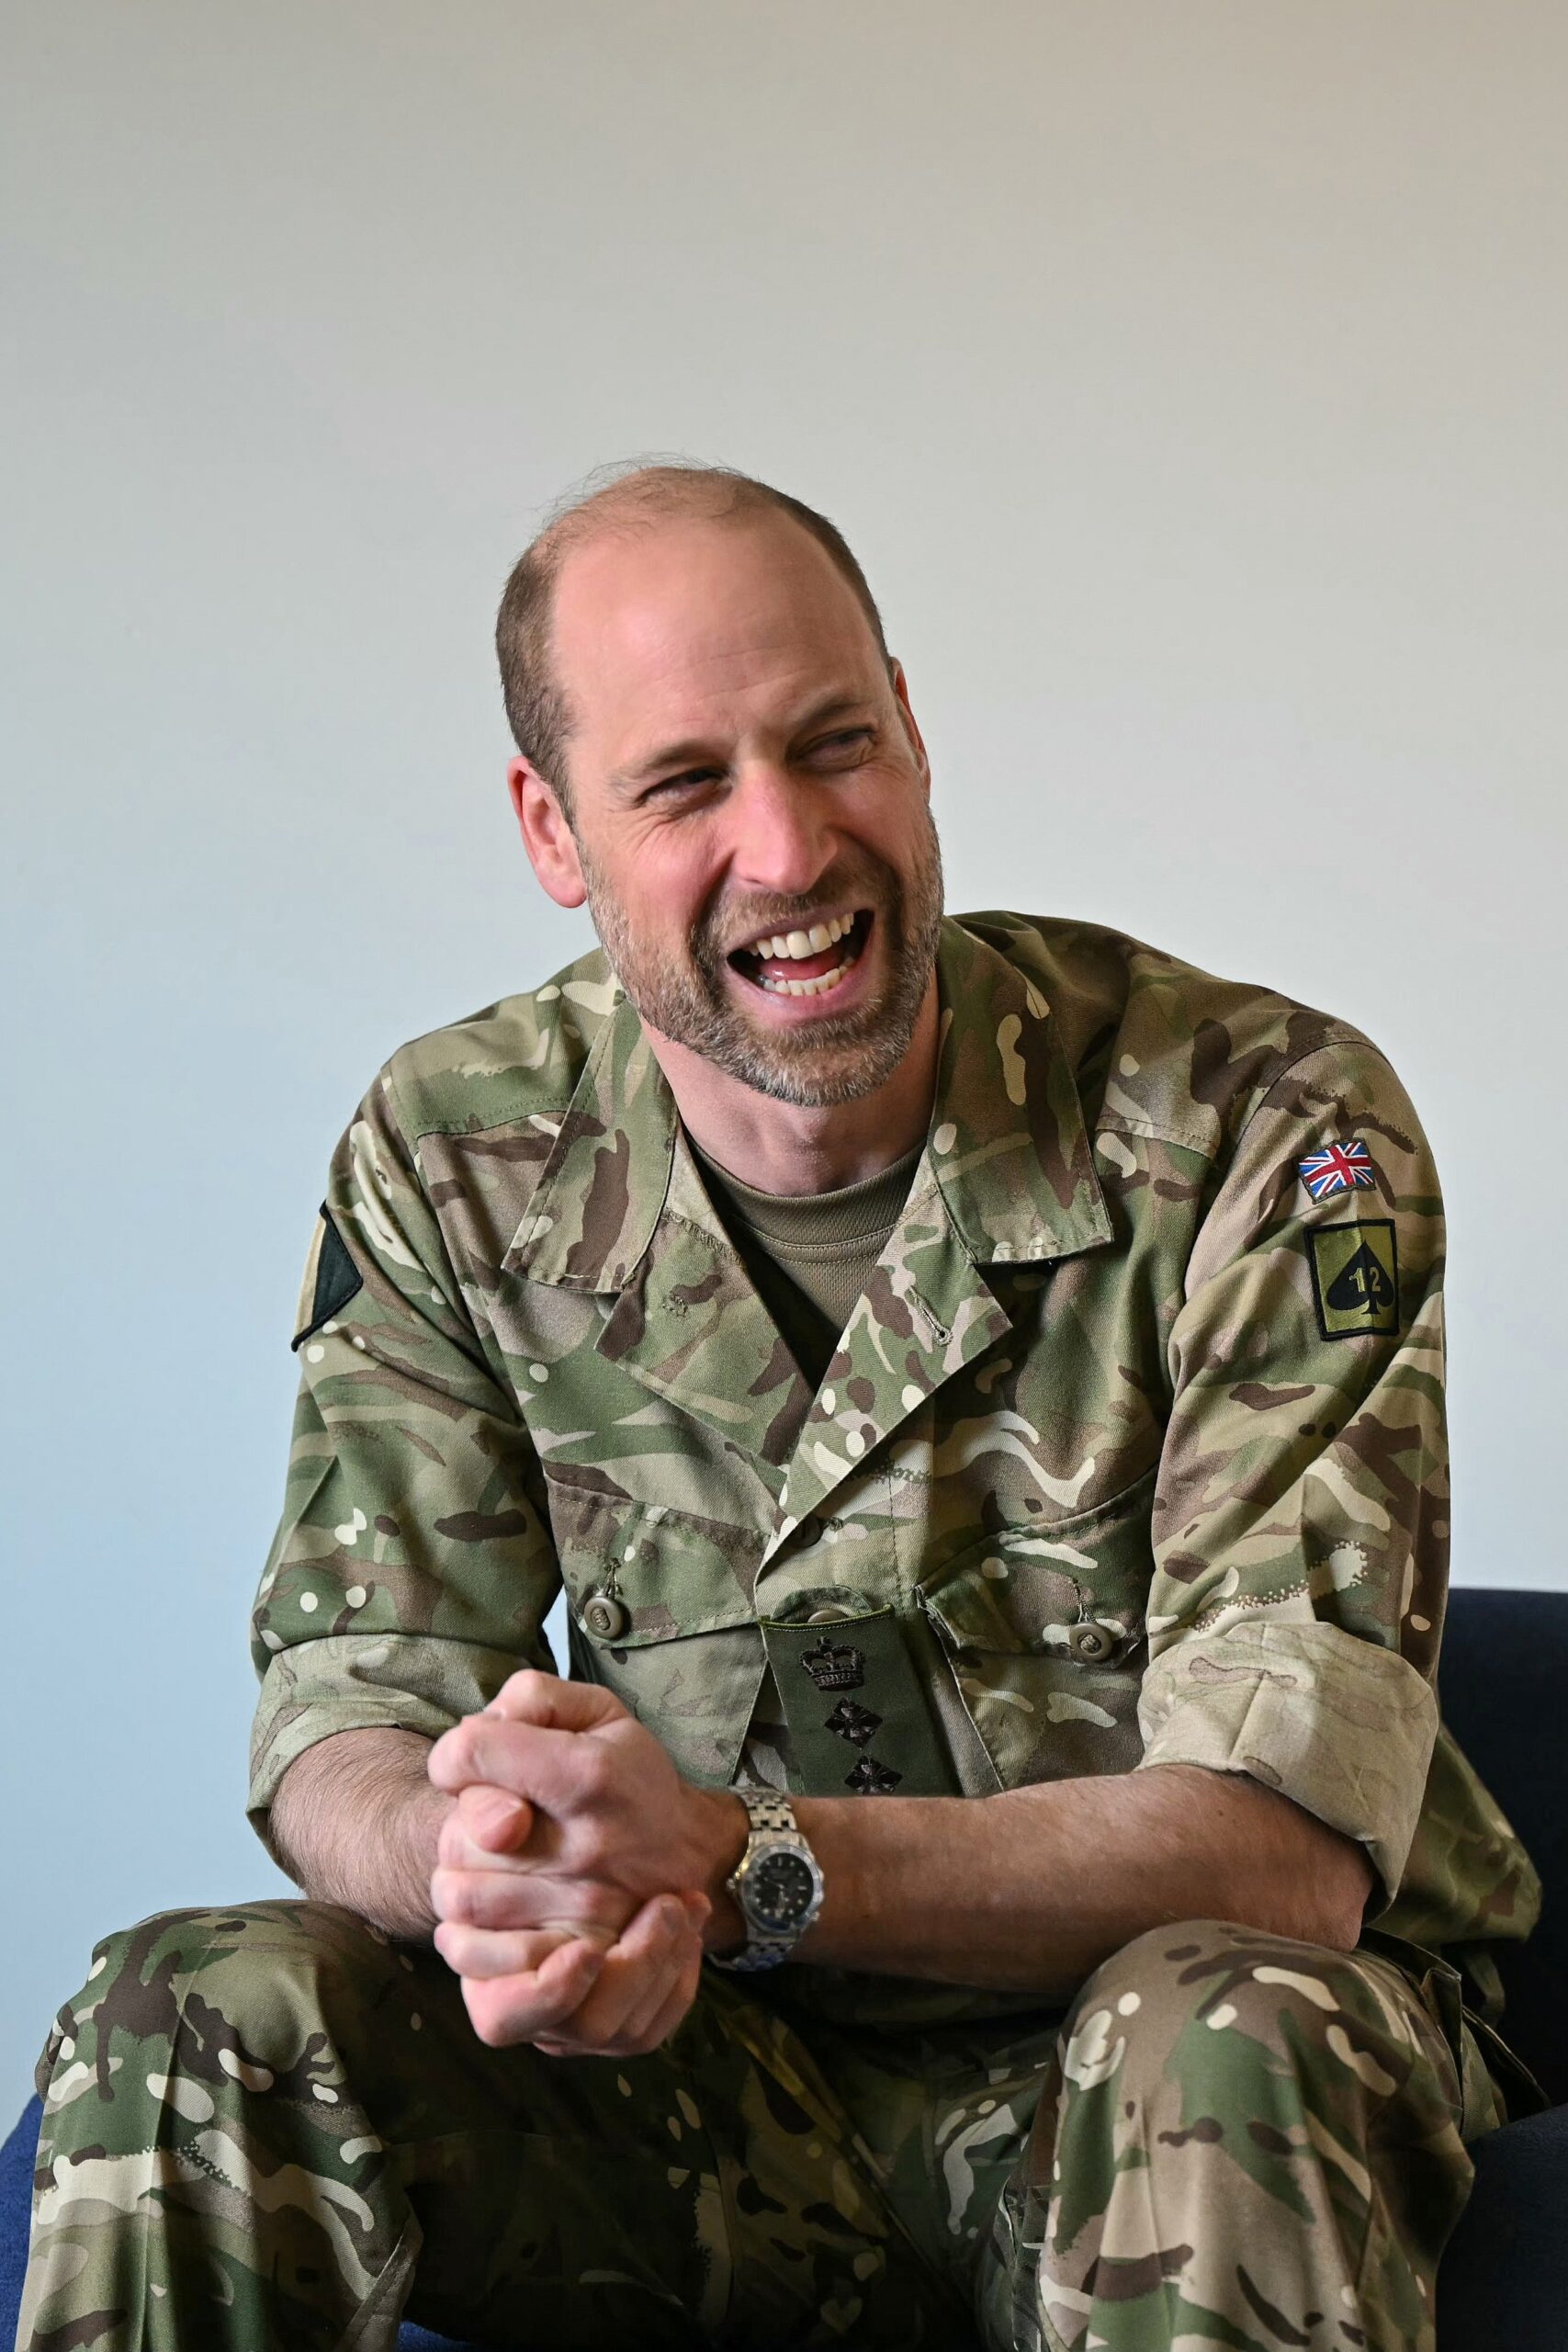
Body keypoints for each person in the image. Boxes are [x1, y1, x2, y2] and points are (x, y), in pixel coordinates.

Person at [19, 463, 1540, 2352]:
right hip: (703, 2089)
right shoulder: (454, 1152)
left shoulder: (1258, 1121)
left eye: (835, 743)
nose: (790, 844)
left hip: (1183, 2066)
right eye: (681, 783)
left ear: (909, 727)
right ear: (550, 828)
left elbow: (1277, 1844)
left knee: (1215, 2022)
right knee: (184, 2007)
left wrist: (731, 1865)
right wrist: (495, 1867)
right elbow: (347, 1711)